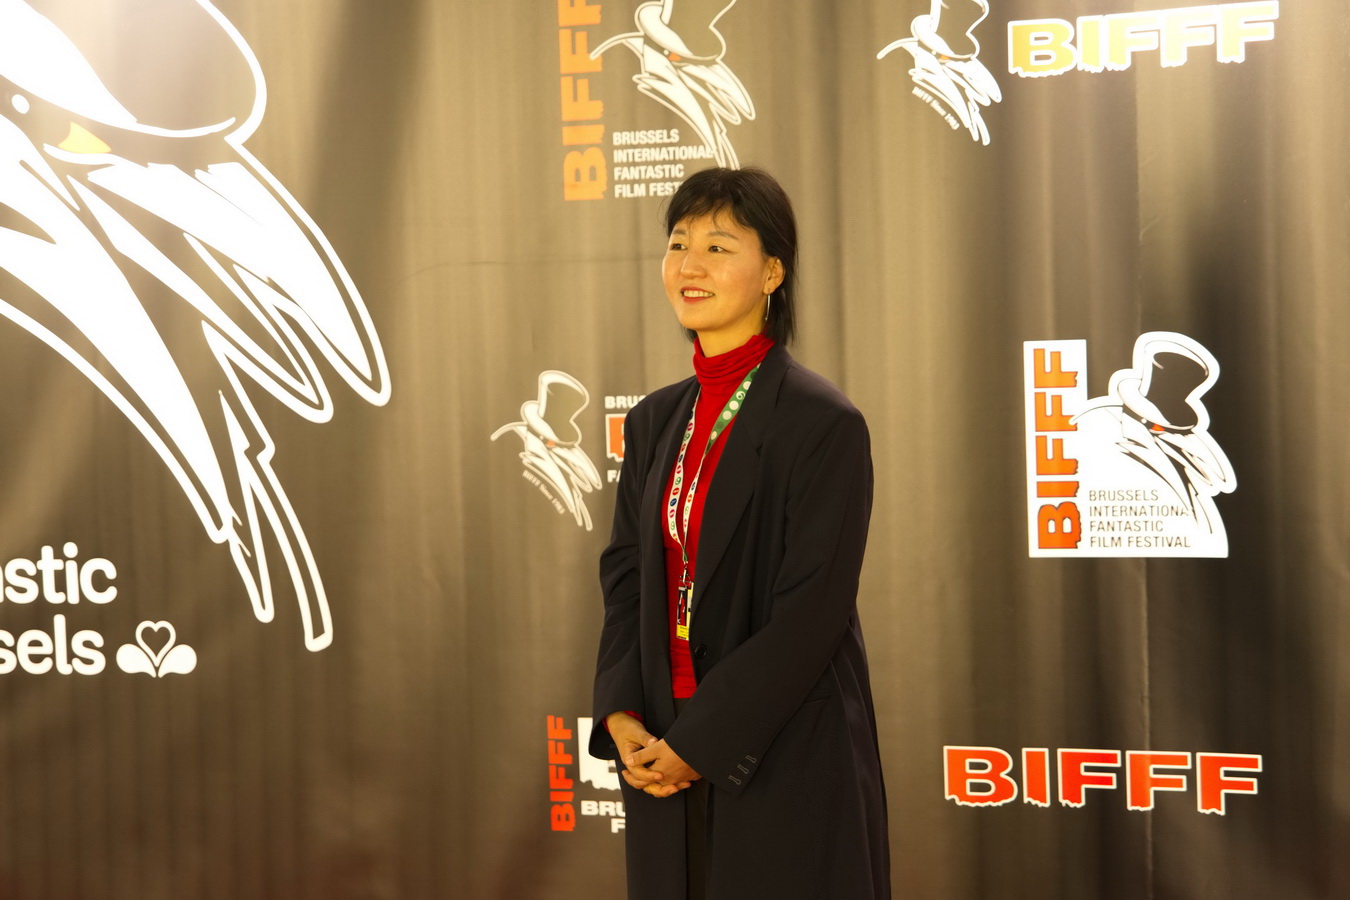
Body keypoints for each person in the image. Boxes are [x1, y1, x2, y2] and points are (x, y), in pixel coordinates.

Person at [590, 167, 890, 899]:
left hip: (777, 748)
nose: (689, 266)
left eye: (718, 247)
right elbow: (626, 577)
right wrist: (621, 709)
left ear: (773, 273)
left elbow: (812, 611)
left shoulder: (822, 423)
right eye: (678, 244)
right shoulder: (654, 420)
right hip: (659, 746)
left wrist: (704, 741)